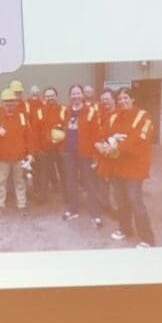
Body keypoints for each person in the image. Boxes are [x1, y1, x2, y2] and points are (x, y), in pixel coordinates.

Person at [98, 87, 156, 247]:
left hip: (135, 168)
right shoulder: (114, 116)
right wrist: (111, 139)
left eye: (126, 98)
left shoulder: (144, 116)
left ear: (132, 99)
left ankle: (147, 239)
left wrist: (117, 145)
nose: (122, 101)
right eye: (120, 99)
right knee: (121, 200)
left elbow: (140, 138)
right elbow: (104, 134)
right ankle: (125, 228)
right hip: (117, 167)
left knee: (135, 201)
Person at [59, 84, 102, 226]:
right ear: (70, 96)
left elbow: (96, 133)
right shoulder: (66, 111)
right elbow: (61, 128)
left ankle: (95, 213)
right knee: (71, 182)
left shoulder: (90, 111)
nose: (75, 96)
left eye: (78, 93)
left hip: (85, 153)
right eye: (73, 93)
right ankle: (73, 209)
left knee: (89, 183)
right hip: (69, 152)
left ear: (82, 95)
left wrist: (96, 155)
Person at [0, 88, 34, 212]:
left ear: (15, 103)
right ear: (2, 103)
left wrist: (30, 153)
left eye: (11, 101)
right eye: (6, 101)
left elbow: (29, 137)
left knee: (20, 182)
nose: (9, 104)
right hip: (2, 157)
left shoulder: (22, 117)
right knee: (0, 182)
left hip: (19, 157)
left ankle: (22, 205)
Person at [32, 86, 64, 203]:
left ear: (56, 96)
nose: (50, 98)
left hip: (60, 149)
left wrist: (61, 129)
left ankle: (67, 197)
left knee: (64, 173)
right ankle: (42, 197)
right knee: (43, 174)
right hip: (45, 149)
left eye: (52, 96)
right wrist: (37, 149)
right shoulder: (39, 112)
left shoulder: (63, 110)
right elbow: (35, 132)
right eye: (47, 96)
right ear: (44, 98)